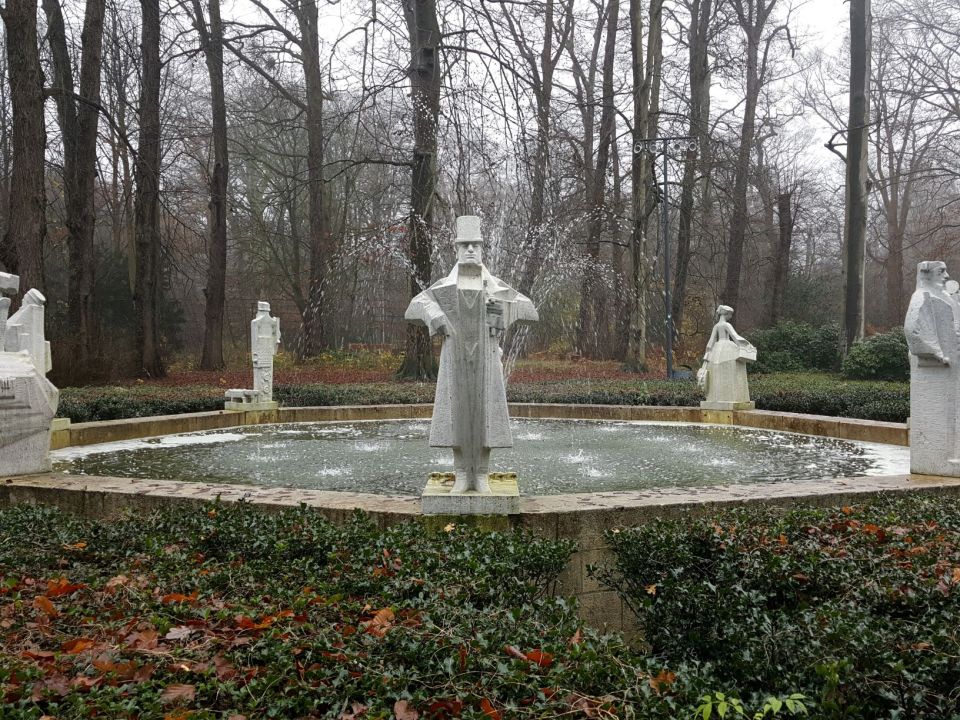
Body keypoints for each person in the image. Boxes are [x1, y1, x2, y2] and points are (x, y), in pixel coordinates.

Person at [405, 216, 538, 493]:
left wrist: (500, 311)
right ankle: (462, 474)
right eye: (464, 245)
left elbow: (529, 310)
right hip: (455, 361)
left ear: (481, 249)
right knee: (457, 414)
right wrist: (435, 314)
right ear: (455, 249)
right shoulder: (443, 287)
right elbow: (414, 307)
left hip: (486, 360)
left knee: (486, 416)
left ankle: (482, 475)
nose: (469, 250)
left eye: (475, 245)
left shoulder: (495, 286)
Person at [904, 261, 960, 475]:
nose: (946, 276)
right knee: (944, 413)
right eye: (941, 271)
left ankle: (951, 456)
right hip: (939, 365)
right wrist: (936, 352)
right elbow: (913, 331)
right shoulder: (921, 297)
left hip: (952, 365)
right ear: (926, 274)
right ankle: (943, 460)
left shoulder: (945, 298)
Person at [698, 304, 756, 405]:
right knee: (734, 368)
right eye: (730, 314)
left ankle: (717, 397)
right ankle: (733, 396)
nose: (731, 317)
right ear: (727, 314)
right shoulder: (727, 325)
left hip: (716, 350)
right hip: (727, 349)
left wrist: (707, 353)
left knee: (717, 373)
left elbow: (711, 341)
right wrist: (747, 345)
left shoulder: (716, 326)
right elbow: (735, 337)